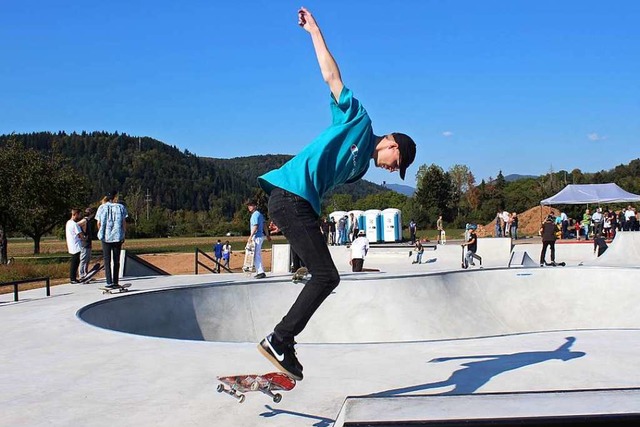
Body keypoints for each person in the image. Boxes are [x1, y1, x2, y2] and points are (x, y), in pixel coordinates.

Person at [255, 7, 417, 381]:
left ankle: (284, 342)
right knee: (326, 276)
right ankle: (280, 338)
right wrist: (315, 31)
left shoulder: (360, 169)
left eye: (399, 170)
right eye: (398, 161)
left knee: (324, 275)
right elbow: (332, 76)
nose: (394, 169)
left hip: (297, 204)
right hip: (287, 194)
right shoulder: (359, 119)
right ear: (391, 142)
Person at [96, 191, 128, 290]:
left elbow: (98, 223)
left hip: (105, 237)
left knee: (107, 260)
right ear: (115, 198)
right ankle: (115, 282)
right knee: (116, 260)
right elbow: (123, 223)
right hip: (117, 237)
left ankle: (109, 282)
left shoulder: (102, 207)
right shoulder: (120, 207)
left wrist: (101, 232)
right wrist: (123, 234)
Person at [246, 199, 270, 279]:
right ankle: (258, 271)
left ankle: (260, 272)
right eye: (249, 205)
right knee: (256, 254)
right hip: (260, 236)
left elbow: (255, 226)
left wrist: (250, 236)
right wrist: (267, 235)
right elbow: (264, 225)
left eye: (251, 205)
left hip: (256, 237)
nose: (249, 207)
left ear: (255, 206)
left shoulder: (254, 215)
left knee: (256, 255)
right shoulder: (260, 214)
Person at [65, 208, 84, 283]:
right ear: (75, 214)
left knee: (75, 262)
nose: (80, 216)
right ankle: (73, 278)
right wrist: (85, 237)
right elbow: (80, 235)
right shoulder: (74, 224)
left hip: (72, 245)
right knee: (75, 263)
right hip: (76, 246)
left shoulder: (68, 223)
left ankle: (73, 277)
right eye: (79, 215)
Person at [78, 207, 95, 280]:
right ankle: (81, 274)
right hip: (84, 242)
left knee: (87, 259)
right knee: (83, 259)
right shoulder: (84, 220)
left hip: (88, 242)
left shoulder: (88, 221)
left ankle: (86, 273)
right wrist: (81, 235)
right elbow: (76, 225)